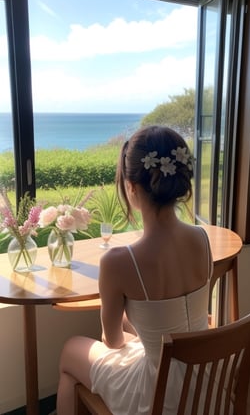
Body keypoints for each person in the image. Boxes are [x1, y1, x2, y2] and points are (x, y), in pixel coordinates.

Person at [56, 125, 213, 415]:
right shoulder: (203, 240)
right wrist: (142, 337)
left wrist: (136, 337)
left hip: (156, 397)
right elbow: (181, 316)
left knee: (70, 351)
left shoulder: (117, 262)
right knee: (137, 343)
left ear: (131, 187)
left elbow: (112, 341)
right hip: (202, 386)